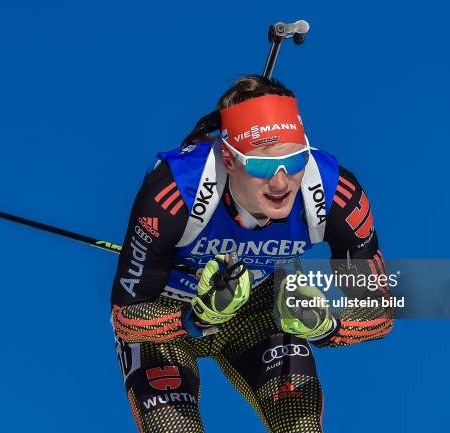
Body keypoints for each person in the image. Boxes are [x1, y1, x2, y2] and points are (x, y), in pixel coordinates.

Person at [111, 75, 393, 433]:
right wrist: (197, 318)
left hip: (257, 313)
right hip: (166, 316)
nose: (281, 183)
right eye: (260, 165)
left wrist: (327, 325)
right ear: (228, 159)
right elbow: (127, 317)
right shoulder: (176, 190)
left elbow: (381, 310)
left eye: (293, 160)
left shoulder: (333, 191)